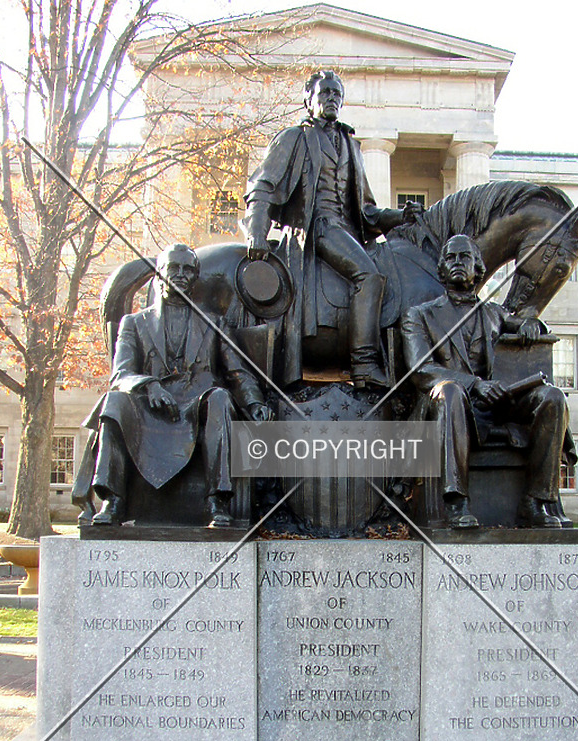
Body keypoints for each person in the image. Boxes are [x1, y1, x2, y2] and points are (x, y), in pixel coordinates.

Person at [243, 70, 421, 389]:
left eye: (336, 94)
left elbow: (367, 211)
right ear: (308, 99)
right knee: (369, 275)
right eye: (324, 93)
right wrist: (256, 231)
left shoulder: (351, 147)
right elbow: (263, 186)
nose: (331, 99)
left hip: (348, 230)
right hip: (316, 228)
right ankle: (365, 363)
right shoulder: (294, 138)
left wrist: (400, 216)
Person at [83, 243, 272, 527]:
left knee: (220, 397)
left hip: (199, 404)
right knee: (115, 401)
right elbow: (121, 373)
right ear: (159, 274)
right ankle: (113, 500)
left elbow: (237, 372)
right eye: (173, 268)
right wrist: (149, 386)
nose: (181, 275)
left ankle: (216, 502)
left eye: (188, 269)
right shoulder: (133, 323)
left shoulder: (214, 323)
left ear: (195, 277)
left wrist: (255, 403)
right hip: (149, 406)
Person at [400, 234, 571, 529]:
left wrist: (532, 323)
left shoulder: (493, 313)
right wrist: (475, 384)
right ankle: (456, 502)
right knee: (449, 391)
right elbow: (420, 370)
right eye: (450, 258)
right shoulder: (419, 316)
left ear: (478, 269)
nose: (457, 263)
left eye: (464, 257)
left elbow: (527, 322)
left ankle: (536, 501)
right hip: (450, 406)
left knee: (552, 397)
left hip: (497, 406)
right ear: (441, 270)